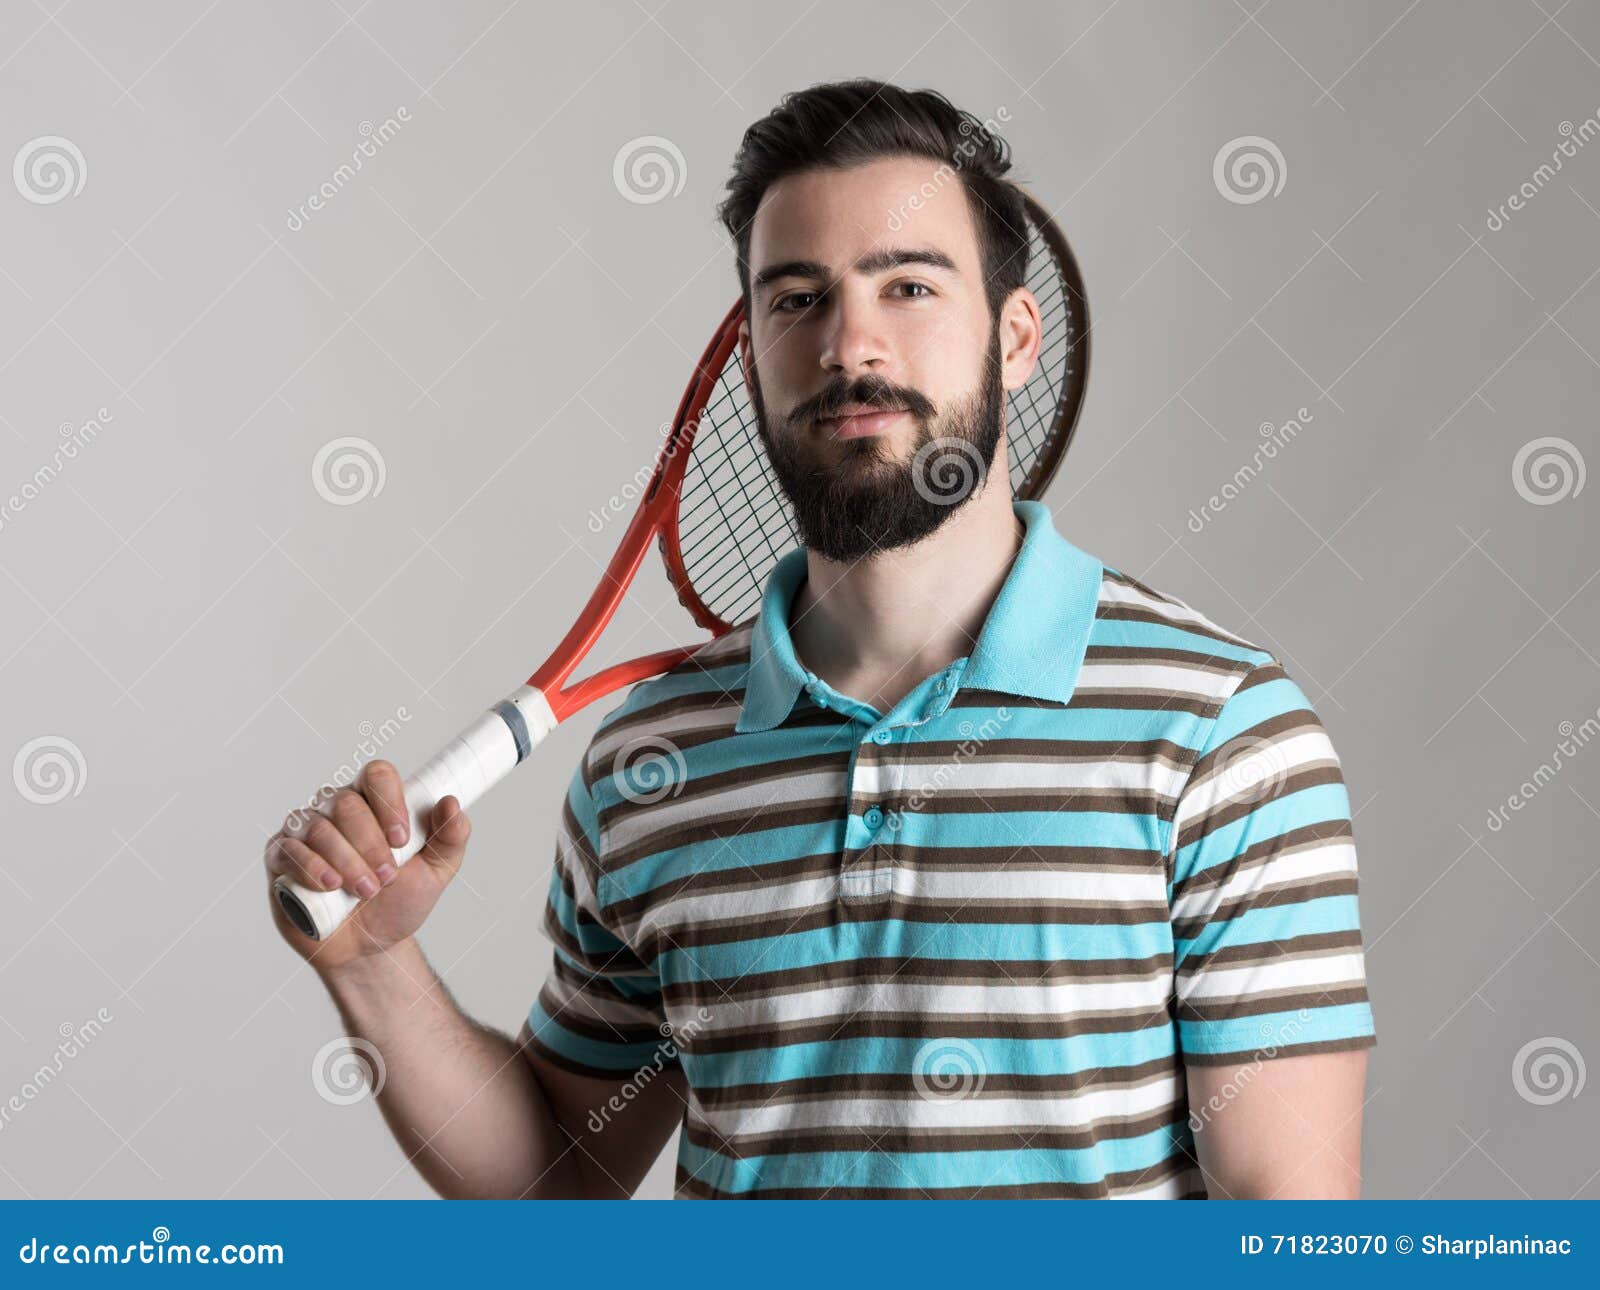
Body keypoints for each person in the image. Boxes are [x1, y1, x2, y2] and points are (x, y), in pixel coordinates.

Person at [265, 79, 1376, 1199]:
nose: (851, 343)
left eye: (908, 286)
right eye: (797, 299)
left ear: (1017, 336)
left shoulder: (1225, 736)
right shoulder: (648, 763)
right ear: (749, 357)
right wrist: (373, 967)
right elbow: (557, 1183)